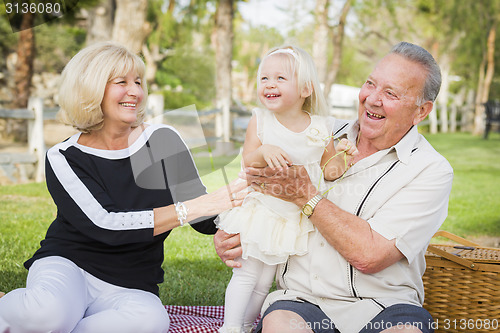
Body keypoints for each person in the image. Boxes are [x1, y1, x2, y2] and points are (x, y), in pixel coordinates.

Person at [0, 41, 247, 333]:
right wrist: (197, 207)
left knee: (151, 323)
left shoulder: (162, 140)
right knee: (47, 315)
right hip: (70, 266)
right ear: (92, 89)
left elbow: (200, 211)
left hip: (132, 282)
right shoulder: (64, 156)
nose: (135, 92)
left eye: (138, 82)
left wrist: (225, 228)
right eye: (122, 82)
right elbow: (106, 224)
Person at [214, 41, 454, 333]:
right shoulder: (317, 130)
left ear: (421, 112)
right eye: (370, 84)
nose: (372, 99)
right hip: (301, 301)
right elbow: (247, 183)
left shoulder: (431, 170)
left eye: (390, 93)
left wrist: (306, 196)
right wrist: (232, 235)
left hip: (386, 306)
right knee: (281, 327)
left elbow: (371, 255)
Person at [216, 45, 358, 333]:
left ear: (306, 88)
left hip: (291, 217)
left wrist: (344, 155)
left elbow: (329, 171)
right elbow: (248, 160)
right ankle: (230, 328)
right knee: (246, 274)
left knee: (265, 279)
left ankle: (245, 325)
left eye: (281, 78)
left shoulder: (320, 127)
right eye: (264, 78)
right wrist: (264, 149)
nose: (270, 84)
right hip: (262, 211)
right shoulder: (262, 120)